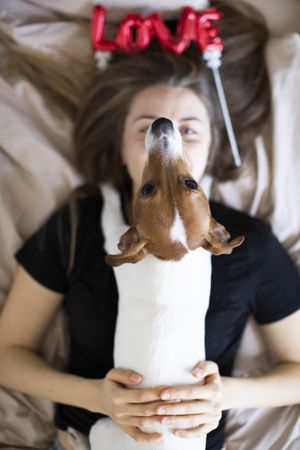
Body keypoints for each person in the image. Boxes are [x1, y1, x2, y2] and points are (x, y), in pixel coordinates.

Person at [0, 2, 299, 450]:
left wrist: (223, 395)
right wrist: (96, 396)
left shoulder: (247, 244)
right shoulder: (77, 225)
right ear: (121, 148)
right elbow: (7, 355)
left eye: (190, 130)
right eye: (146, 130)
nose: (168, 139)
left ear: (212, 149)